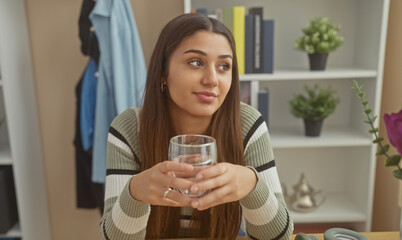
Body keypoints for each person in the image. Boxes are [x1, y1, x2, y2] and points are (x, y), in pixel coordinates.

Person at [100, 13, 293, 240]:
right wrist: (134, 193)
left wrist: (252, 184)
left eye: (223, 66)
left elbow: (278, 237)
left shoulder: (247, 123)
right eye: (196, 62)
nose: (212, 79)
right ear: (163, 72)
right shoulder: (130, 128)